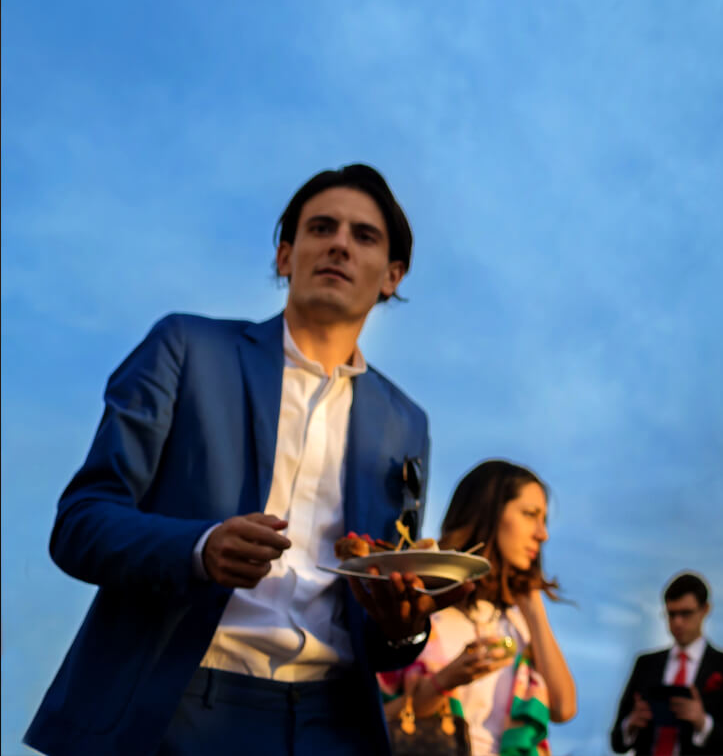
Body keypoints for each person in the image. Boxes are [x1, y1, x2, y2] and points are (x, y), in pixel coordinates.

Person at [26, 164, 468, 756]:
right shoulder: (186, 348)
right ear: (285, 256)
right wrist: (200, 548)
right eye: (321, 228)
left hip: (334, 725)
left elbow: (380, 616)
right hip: (177, 707)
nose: (339, 242)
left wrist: (405, 623)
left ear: (392, 277)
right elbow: (80, 523)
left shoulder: (406, 423)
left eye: (364, 236)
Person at [379, 460, 577, 755]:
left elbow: (563, 708)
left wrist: (535, 610)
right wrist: (445, 681)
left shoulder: (518, 620)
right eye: (529, 514)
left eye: (544, 519)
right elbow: (380, 715)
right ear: (489, 514)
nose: (542, 533)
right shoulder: (426, 607)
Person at [610, 573, 723, 756]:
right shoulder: (645, 664)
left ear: (705, 609)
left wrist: (702, 723)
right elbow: (616, 742)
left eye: (686, 613)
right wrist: (631, 723)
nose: (677, 622)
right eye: (671, 614)